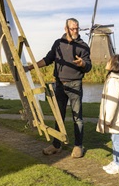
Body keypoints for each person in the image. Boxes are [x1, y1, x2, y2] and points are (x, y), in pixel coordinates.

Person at [27, 18, 92, 158]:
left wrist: (82, 64)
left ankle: (78, 146)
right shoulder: (58, 43)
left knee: (77, 117)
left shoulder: (83, 46)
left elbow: (89, 66)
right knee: (59, 116)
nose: (75, 31)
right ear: (66, 28)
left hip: (75, 84)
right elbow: (48, 59)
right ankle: (56, 145)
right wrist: (30, 67)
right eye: (72, 28)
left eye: (77, 28)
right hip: (59, 85)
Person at [96, 54, 119, 175]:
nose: (107, 62)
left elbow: (112, 102)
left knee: (117, 139)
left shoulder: (115, 81)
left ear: (114, 65)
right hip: (118, 116)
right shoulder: (117, 79)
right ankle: (116, 161)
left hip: (116, 117)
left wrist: (108, 119)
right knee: (115, 138)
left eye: (109, 61)